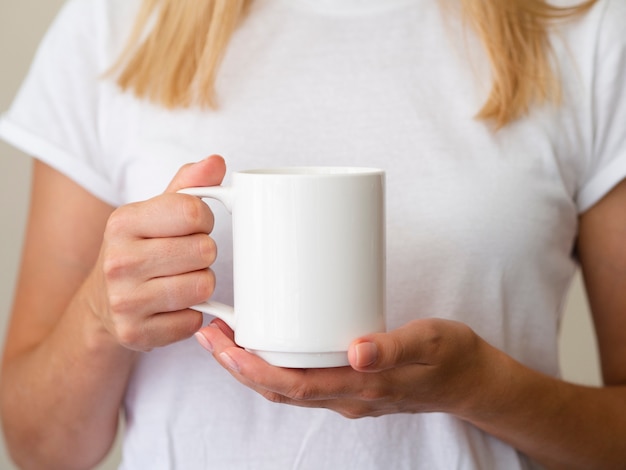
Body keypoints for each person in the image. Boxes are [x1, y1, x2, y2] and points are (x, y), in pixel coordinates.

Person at [0, 0, 625, 468]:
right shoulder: (114, 22)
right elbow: (38, 447)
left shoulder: (583, 28)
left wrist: (481, 388)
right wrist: (96, 317)